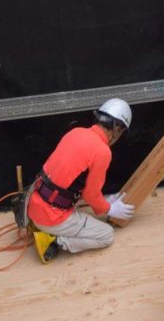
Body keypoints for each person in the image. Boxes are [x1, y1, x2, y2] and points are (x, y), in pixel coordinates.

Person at [26, 97, 135, 261]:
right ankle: (56, 241)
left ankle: (46, 228)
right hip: (51, 217)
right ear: (117, 128)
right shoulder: (102, 151)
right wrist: (110, 209)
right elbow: (91, 195)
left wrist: (105, 200)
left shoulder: (76, 132)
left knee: (77, 199)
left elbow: (70, 183)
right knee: (107, 235)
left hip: (34, 204)